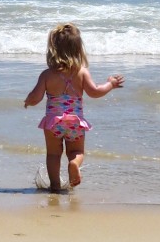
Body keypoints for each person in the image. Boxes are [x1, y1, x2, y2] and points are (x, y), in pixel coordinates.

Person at [24, 23, 124, 191]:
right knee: (76, 151)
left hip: (53, 122)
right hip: (75, 122)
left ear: (53, 49)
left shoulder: (47, 74)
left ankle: (55, 185)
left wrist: (28, 101)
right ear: (78, 49)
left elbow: (36, 97)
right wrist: (110, 84)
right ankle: (74, 164)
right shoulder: (82, 72)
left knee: (54, 154)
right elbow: (95, 92)